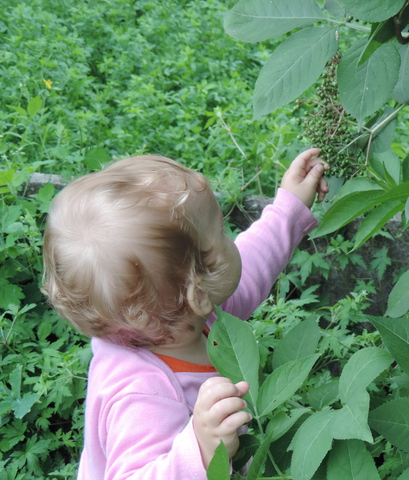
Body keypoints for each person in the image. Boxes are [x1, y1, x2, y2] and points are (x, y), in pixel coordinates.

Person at [41, 148, 328, 479]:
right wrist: (201, 449)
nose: (231, 239)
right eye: (222, 233)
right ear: (199, 292)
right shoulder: (140, 393)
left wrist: (288, 209)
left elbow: (248, 271)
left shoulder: (185, 317)